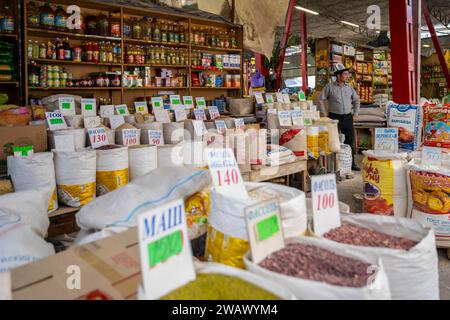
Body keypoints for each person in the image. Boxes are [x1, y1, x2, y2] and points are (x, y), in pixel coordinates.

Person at [318, 63, 361, 171]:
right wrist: (324, 115)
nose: (347, 76)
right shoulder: (330, 87)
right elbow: (320, 99)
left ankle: (351, 164)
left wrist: (355, 113)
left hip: (347, 117)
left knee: (349, 141)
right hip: (334, 118)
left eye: (348, 74)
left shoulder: (349, 88)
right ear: (338, 75)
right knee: (334, 142)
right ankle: (334, 166)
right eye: (345, 74)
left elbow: (356, 100)